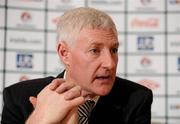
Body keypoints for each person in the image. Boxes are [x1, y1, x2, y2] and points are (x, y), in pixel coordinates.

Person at [1, 7, 153, 124]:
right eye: (95, 50)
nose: (110, 63)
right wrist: (38, 120)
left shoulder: (137, 98)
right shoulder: (18, 97)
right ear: (64, 53)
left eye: (114, 50)